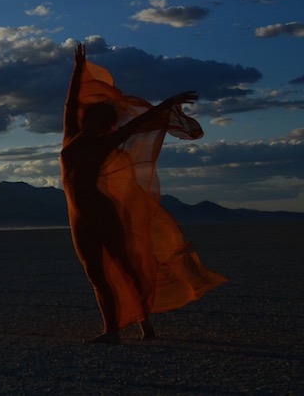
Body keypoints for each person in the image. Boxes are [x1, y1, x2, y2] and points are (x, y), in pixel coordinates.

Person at [61, 43, 226, 343]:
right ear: (88, 119)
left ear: (106, 126)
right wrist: (77, 69)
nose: (99, 124)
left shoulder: (104, 143)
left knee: (125, 267)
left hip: (100, 210)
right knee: (95, 275)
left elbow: (137, 125)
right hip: (78, 217)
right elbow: (70, 104)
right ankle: (111, 331)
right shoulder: (71, 135)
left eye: (105, 123)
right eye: (95, 119)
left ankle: (144, 325)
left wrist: (167, 104)